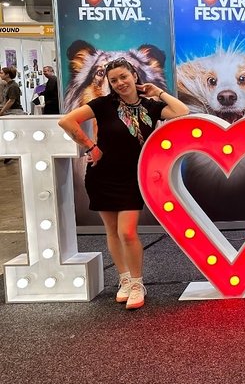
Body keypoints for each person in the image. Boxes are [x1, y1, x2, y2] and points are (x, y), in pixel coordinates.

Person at [58, 57, 189, 309]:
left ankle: (138, 284)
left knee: (127, 232)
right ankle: (125, 279)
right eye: (114, 80)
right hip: (102, 175)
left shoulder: (151, 106)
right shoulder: (103, 104)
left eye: (124, 77)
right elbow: (66, 121)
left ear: (134, 76)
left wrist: (158, 91)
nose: (120, 83)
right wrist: (91, 147)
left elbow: (182, 111)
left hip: (133, 177)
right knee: (112, 232)